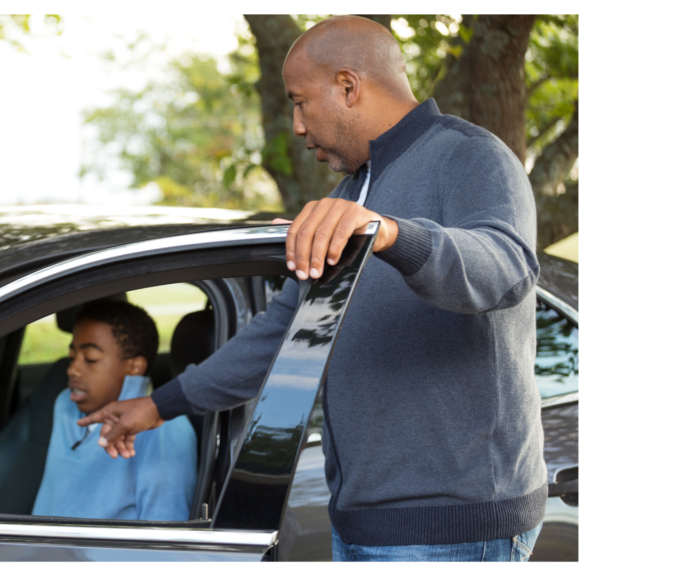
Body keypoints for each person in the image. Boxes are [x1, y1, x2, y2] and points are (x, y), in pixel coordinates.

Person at [79, 15, 545, 562]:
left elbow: (505, 268)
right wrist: (159, 405)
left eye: (301, 102)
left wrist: (392, 234)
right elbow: (284, 332)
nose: (297, 126)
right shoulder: (352, 189)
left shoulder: (471, 156)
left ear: (348, 86)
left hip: (452, 528)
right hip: (361, 522)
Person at [31, 300, 197, 521]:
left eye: (90, 359)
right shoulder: (65, 404)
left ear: (135, 367)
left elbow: (165, 533)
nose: (72, 369)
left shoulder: (165, 429)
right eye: (72, 357)